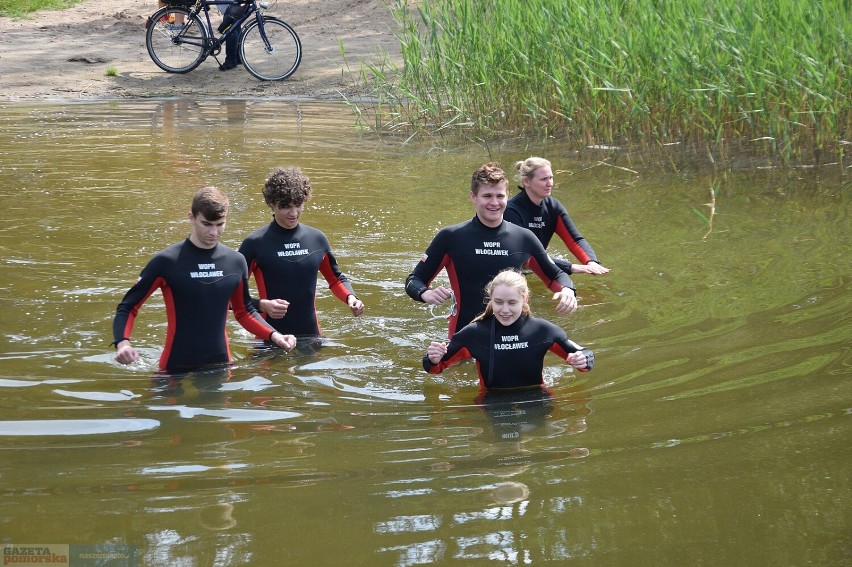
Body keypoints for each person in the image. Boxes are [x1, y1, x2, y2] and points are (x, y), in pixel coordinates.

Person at [111, 186, 296, 373]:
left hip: (221, 364)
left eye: (220, 224)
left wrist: (275, 336)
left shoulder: (235, 262)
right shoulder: (167, 261)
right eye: (207, 224)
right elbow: (129, 306)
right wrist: (123, 344)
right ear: (191, 217)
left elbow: (244, 311)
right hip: (175, 366)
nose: (214, 233)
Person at [405, 161, 578, 338]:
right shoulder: (451, 237)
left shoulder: (524, 238)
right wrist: (425, 293)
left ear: (507, 196)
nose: (494, 203)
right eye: (487, 196)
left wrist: (567, 290)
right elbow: (414, 280)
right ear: (473, 197)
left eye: (500, 196)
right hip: (464, 337)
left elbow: (556, 275)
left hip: (512, 337)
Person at [238, 166, 364, 338]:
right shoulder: (255, 244)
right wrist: (262, 305)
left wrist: (351, 298)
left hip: (311, 336)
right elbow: (230, 298)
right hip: (269, 339)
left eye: (298, 205)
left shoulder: (316, 239)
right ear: (272, 204)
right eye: (285, 207)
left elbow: (336, 279)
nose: (293, 213)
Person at [423, 269, 593, 390]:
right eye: (498, 302)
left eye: (512, 303)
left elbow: (584, 355)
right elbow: (435, 368)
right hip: (491, 401)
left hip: (536, 397)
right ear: (491, 300)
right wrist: (433, 358)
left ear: (524, 299)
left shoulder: (543, 330)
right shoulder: (474, 334)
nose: (505, 310)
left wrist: (582, 360)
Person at [504, 157, 610, 276]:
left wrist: (591, 262)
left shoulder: (553, 207)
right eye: (544, 179)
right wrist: (570, 267)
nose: (550, 183)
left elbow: (574, 240)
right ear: (526, 181)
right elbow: (524, 256)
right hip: (511, 269)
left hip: (537, 262)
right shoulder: (511, 211)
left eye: (551, 178)